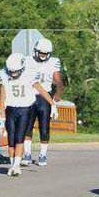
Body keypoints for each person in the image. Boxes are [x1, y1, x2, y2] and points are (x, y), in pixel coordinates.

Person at [0, 54, 54, 177]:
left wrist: (52, 104)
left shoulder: (29, 75)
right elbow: (2, 98)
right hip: (11, 109)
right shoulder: (4, 75)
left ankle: (16, 165)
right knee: (11, 140)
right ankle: (13, 164)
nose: (13, 74)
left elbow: (42, 90)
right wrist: (2, 118)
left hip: (25, 109)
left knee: (19, 138)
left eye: (16, 71)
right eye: (11, 71)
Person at [24, 38, 64, 167]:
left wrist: (57, 95)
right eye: (41, 52)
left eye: (45, 53)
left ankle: (42, 154)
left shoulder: (53, 62)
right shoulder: (28, 60)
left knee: (44, 127)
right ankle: (27, 154)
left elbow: (58, 80)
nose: (43, 55)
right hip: (30, 95)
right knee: (27, 126)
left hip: (45, 96)